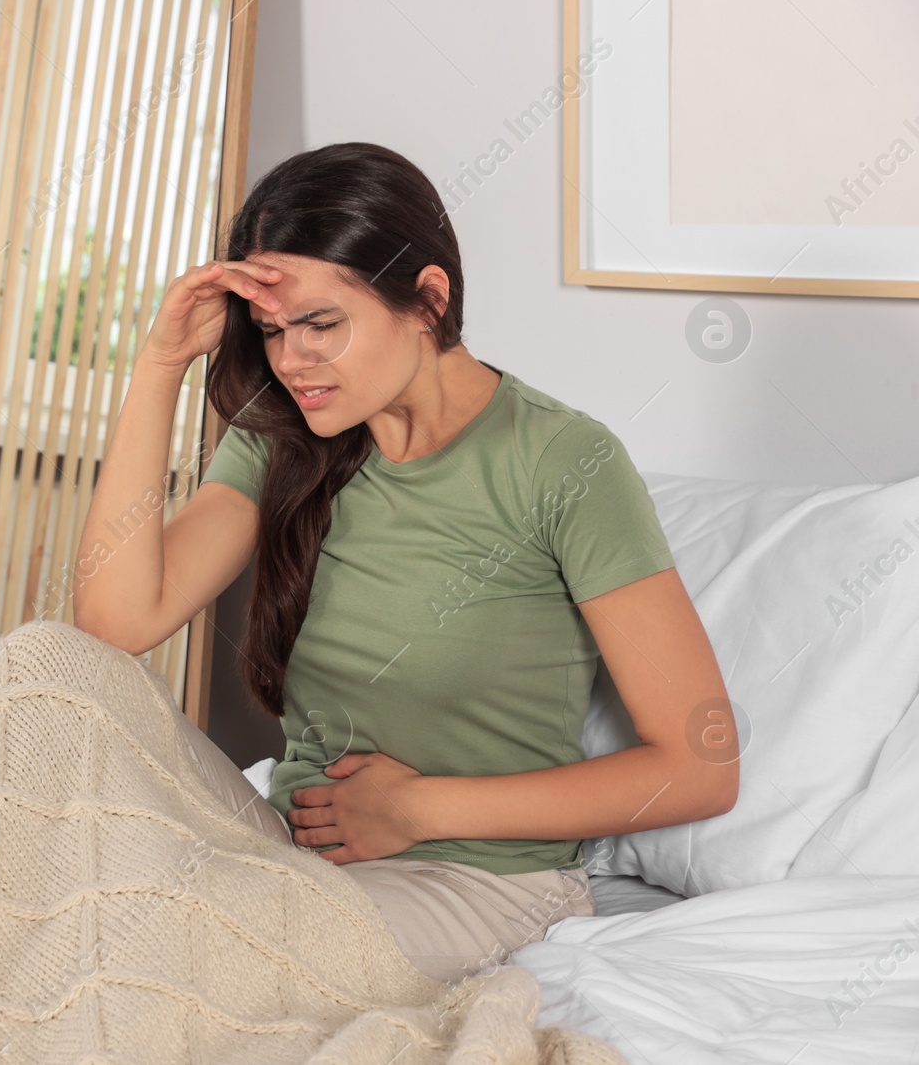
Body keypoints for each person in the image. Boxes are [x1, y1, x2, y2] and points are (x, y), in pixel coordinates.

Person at [71, 141, 740, 983]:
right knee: (45, 680)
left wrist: (418, 807)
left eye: (320, 324)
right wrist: (162, 364)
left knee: (181, 957)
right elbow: (113, 623)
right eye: (274, 330)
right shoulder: (282, 436)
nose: (290, 360)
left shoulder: (563, 461)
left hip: (483, 880)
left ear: (427, 300)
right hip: (291, 849)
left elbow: (700, 765)